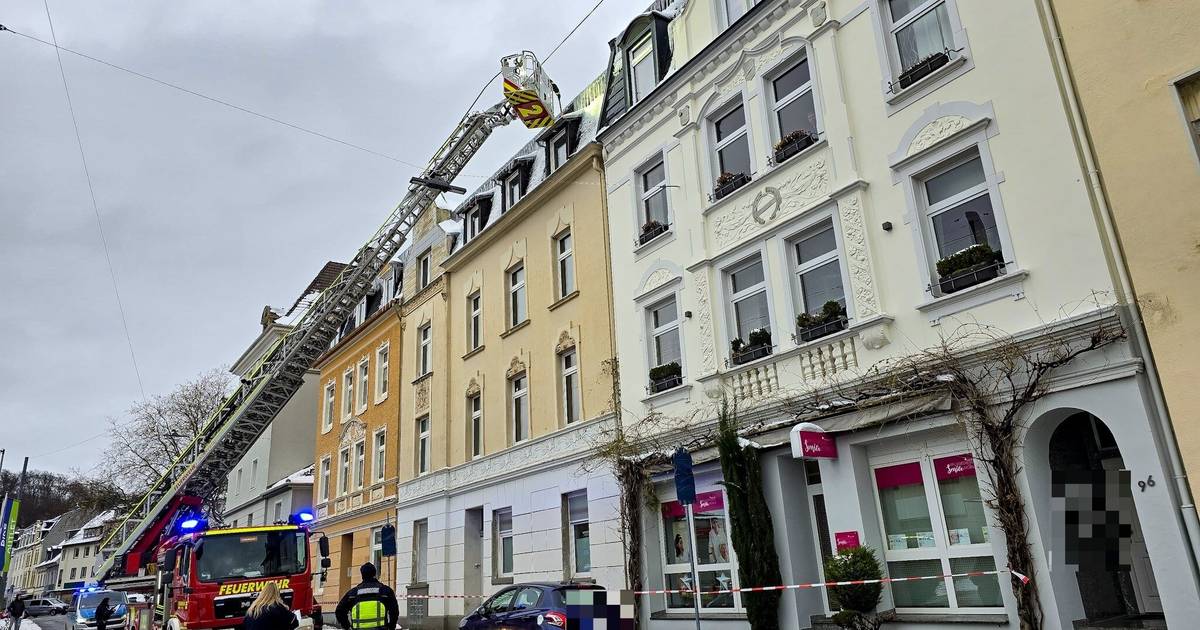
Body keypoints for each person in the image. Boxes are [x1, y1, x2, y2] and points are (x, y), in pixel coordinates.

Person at [335, 563, 398, 630]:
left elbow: (339, 611)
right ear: (375, 574)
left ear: (362, 575)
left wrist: (347, 626)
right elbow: (394, 611)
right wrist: (391, 627)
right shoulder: (385, 591)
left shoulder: (353, 593)